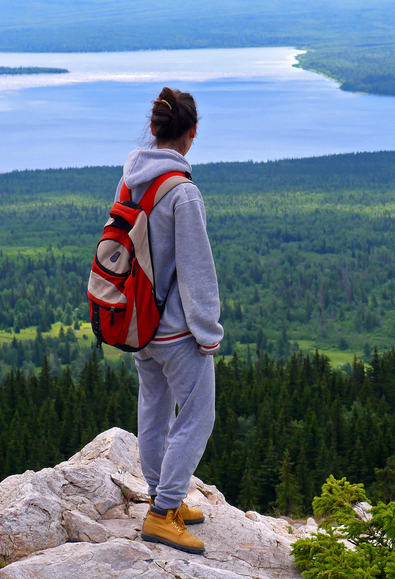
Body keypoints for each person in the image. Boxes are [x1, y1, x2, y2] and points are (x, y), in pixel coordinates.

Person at [117, 86, 223, 555]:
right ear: (192, 134)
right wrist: (208, 333)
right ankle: (163, 514)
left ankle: (163, 497)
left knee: (154, 410)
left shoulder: (132, 180)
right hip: (176, 330)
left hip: (137, 322)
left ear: (155, 129)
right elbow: (197, 272)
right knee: (198, 415)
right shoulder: (184, 193)